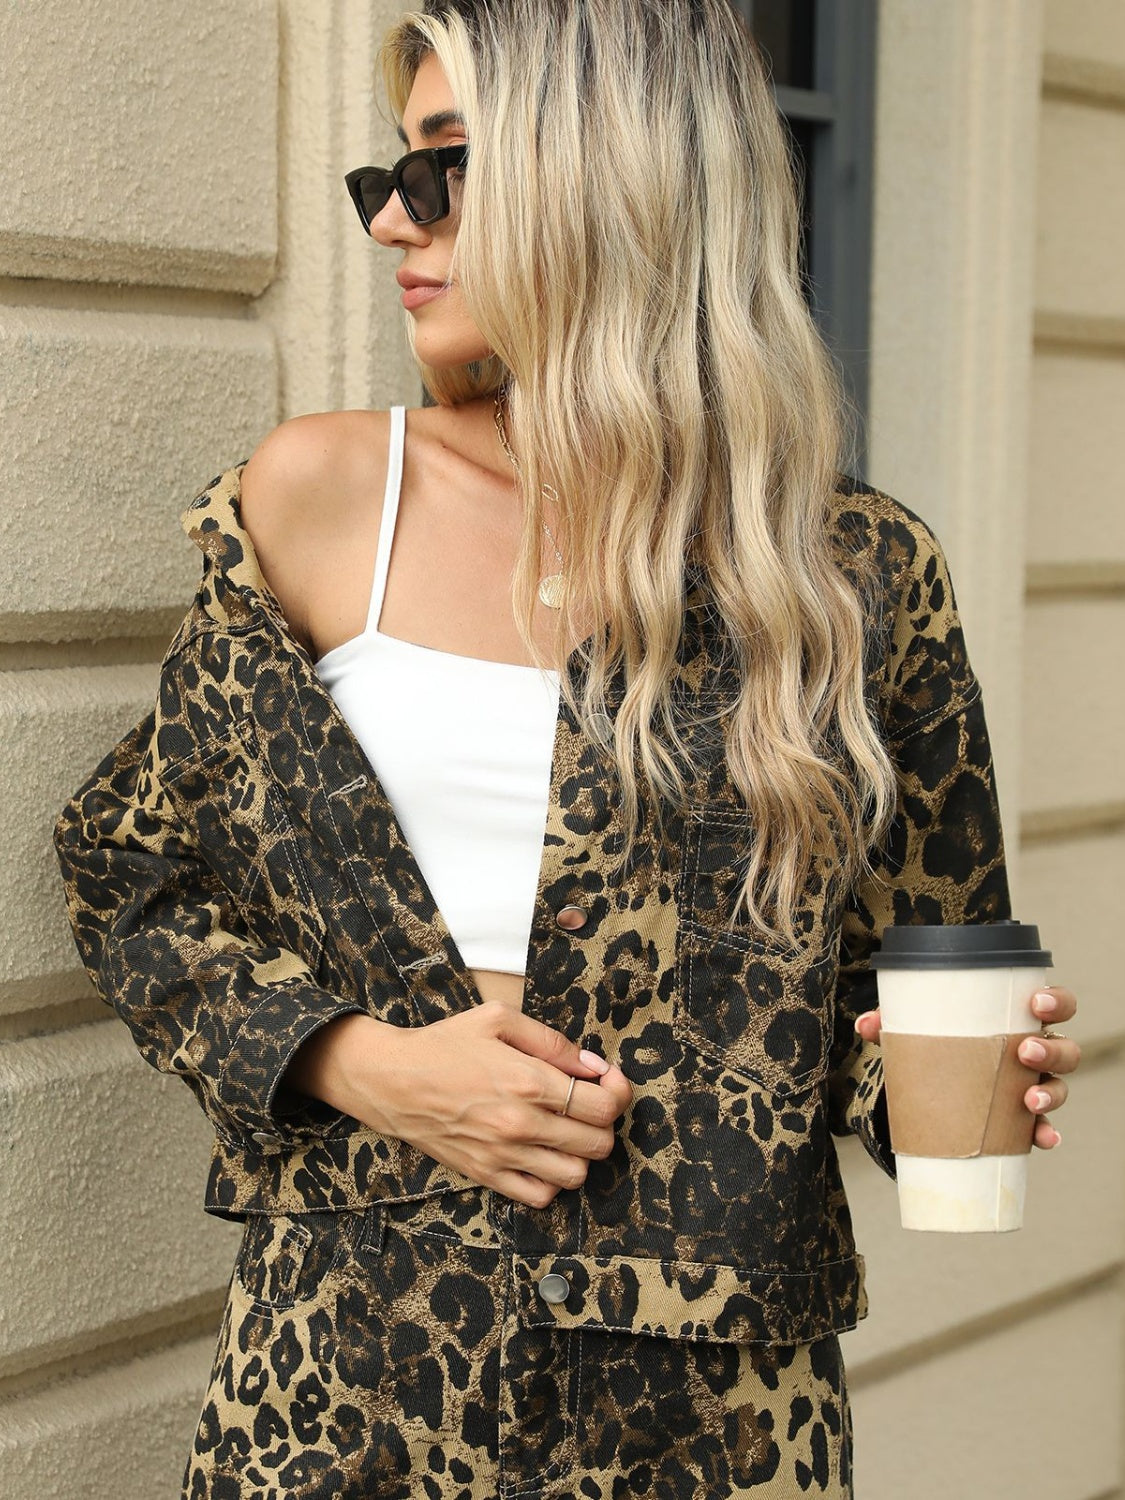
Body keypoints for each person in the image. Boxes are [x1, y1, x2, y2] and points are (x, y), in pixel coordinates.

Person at [54, 2, 1081, 1496]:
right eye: (390, 172)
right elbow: (128, 870)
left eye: (446, 166)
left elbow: (914, 972)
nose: (392, 219)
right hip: (346, 1382)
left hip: (713, 1420)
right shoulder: (322, 500)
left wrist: (968, 1090)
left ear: (612, 177)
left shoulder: (847, 576)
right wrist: (360, 1063)